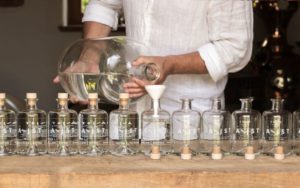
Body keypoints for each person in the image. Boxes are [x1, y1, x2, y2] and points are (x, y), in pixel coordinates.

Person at [55, 0, 253, 114]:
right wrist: (89, 56)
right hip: (131, 109)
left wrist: (169, 65)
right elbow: (103, 4)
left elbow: (235, 47)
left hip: (192, 117)